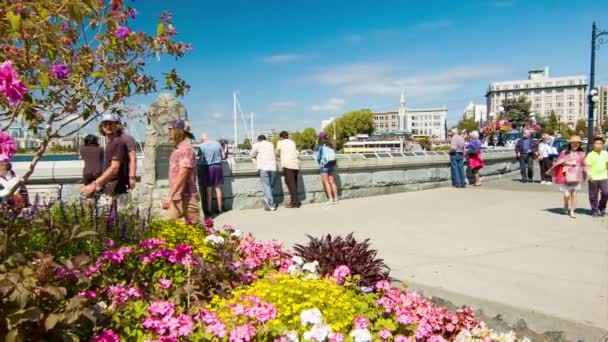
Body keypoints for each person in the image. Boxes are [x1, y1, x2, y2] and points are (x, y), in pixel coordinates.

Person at [81, 114, 130, 207]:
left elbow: (114, 167)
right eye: (105, 124)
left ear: (117, 126)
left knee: (111, 218)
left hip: (115, 189)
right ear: (102, 127)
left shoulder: (117, 143)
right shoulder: (111, 143)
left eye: (111, 124)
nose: (108, 126)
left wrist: (95, 183)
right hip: (111, 188)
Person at [160, 120, 200, 221]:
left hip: (187, 197)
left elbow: (183, 173)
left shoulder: (185, 149)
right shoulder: (178, 148)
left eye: (171, 129)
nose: (169, 131)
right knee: (171, 230)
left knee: (193, 231)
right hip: (177, 197)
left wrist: (170, 196)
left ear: (179, 131)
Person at [549, 135, 588, 219]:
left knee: (574, 194)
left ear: (579, 144)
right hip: (566, 175)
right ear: (570, 144)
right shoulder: (564, 152)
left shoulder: (581, 153)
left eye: (577, 143)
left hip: (577, 176)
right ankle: (566, 203)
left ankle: (572, 211)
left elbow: (584, 163)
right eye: (573, 143)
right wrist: (568, 163)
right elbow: (559, 162)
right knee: (567, 195)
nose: (575, 145)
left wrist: (587, 170)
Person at [197, 134, 225, 215]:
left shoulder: (201, 146)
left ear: (202, 139)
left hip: (208, 168)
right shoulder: (217, 144)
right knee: (218, 188)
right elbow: (223, 156)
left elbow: (201, 159)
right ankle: (220, 209)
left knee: (209, 189)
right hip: (218, 167)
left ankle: (209, 210)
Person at [250, 135, 278, 211]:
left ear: (258, 139)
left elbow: (252, 155)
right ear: (265, 139)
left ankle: (271, 204)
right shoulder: (271, 144)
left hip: (263, 167)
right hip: (273, 167)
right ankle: (268, 198)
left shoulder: (257, 144)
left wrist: (256, 162)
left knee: (266, 185)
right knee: (271, 186)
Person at [276, 131, 301, 208]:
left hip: (287, 165)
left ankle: (295, 202)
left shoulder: (280, 142)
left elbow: (277, 152)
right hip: (295, 165)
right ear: (288, 136)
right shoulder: (293, 142)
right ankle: (294, 201)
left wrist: (278, 155)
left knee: (290, 184)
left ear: (281, 137)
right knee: (294, 184)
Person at [585, 137, 608, 217]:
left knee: (606, 193)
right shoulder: (590, 155)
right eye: (596, 143)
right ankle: (594, 210)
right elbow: (587, 166)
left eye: (600, 144)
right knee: (593, 195)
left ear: (602, 145)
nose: (598, 145)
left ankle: (601, 208)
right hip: (593, 178)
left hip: (604, 177)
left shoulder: (605, 153)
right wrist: (588, 174)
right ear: (593, 145)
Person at [315, 132, 339, 204]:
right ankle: (336, 198)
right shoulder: (331, 145)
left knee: (326, 182)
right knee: (332, 182)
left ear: (320, 138)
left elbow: (318, 157)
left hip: (324, 165)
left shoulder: (320, 146)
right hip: (331, 164)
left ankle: (330, 199)